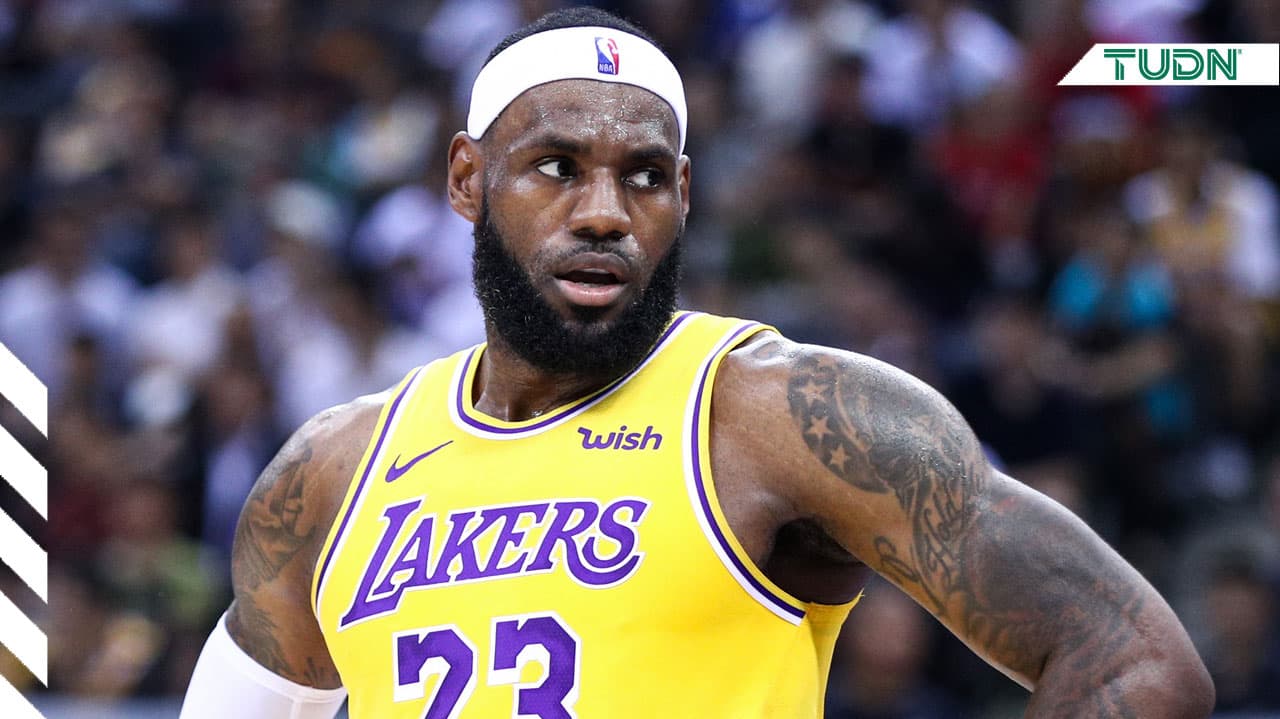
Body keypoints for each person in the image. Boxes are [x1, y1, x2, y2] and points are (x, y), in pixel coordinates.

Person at [180, 7, 1214, 718]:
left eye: (641, 177)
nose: (602, 212)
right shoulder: (330, 470)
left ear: (682, 193)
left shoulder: (775, 411)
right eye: (554, 167)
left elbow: (1131, 656)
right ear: (465, 178)